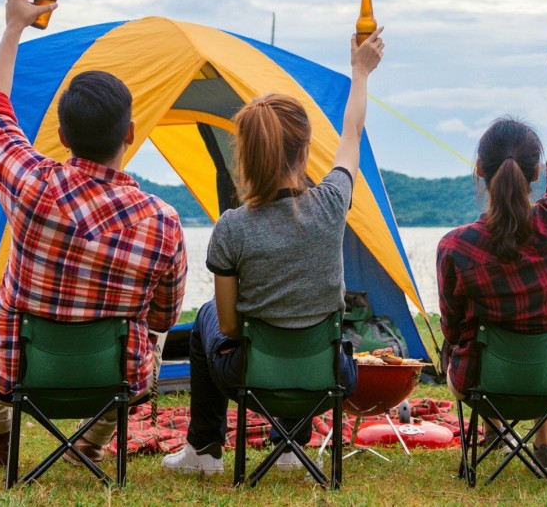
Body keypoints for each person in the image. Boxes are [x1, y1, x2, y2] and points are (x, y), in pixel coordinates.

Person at [0, 0, 188, 469]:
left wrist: (15, 26)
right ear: (130, 134)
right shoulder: (163, 221)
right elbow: (162, 320)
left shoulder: (33, 186)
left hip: (19, 374)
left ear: (61, 135)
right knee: (155, 325)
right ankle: (93, 441)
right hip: (117, 381)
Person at [162, 27, 385, 475]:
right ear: (305, 152)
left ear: (245, 157)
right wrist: (360, 72)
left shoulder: (231, 228)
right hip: (328, 377)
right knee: (298, 325)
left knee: (208, 315)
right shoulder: (332, 204)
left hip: (250, 376)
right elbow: (352, 133)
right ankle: (291, 445)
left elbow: (228, 324)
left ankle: (204, 450)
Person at [436, 48, 547, 470]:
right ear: (537, 173)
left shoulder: (455, 246)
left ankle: (492, 432)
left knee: (469, 341)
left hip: (483, 383)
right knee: (534, 337)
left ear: (480, 172)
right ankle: (546, 443)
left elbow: (452, 327)